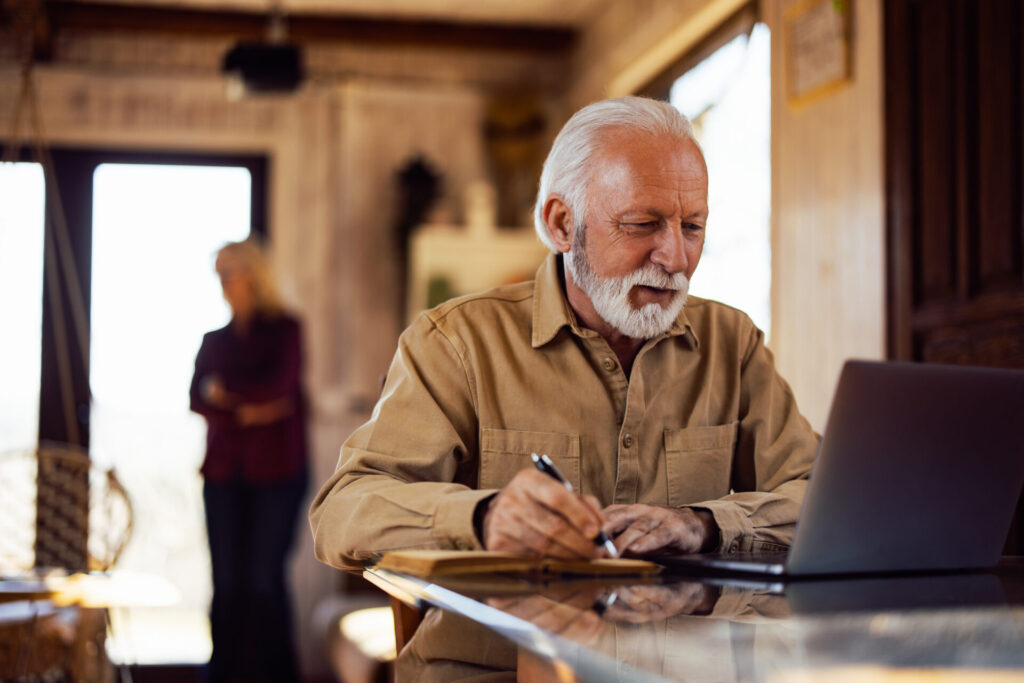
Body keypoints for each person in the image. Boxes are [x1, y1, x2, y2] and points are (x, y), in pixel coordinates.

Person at [310, 96, 818, 574]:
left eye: (693, 227)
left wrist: (703, 524)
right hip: (497, 666)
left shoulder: (733, 342)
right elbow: (342, 512)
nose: (676, 259)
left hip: (676, 663)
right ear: (561, 224)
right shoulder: (455, 343)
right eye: (643, 224)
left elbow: (824, 497)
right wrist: (484, 518)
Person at [190, 239, 308, 682]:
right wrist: (247, 408)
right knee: (226, 585)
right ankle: (222, 676)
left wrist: (226, 395)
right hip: (223, 475)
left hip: (278, 474)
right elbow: (197, 398)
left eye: (231, 270)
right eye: (218, 272)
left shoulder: (287, 330)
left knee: (263, 581)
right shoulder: (213, 339)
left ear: (255, 274)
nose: (223, 281)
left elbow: (278, 391)